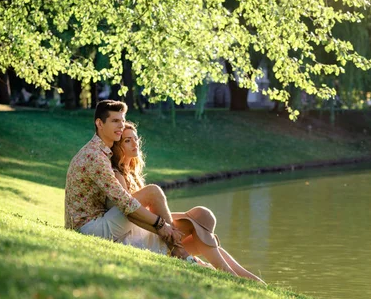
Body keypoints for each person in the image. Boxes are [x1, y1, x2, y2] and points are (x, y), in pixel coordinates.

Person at [110, 121, 266, 285]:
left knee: (202, 223)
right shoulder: (117, 175)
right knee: (200, 224)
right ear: (118, 146)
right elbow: (133, 214)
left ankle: (252, 280)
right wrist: (181, 220)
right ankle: (237, 278)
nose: (135, 143)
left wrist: (186, 216)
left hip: (152, 230)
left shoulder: (133, 174)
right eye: (127, 140)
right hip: (138, 238)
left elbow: (149, 210)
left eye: (135, 139)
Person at [65, 100, 184, 257]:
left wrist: (160, 226)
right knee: (152, 192)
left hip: (96, 223)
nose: (121, 125)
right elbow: (124, 202)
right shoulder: (95, 156)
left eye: (122, 120)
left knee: (149, 209)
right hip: (88, 228)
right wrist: (160, 224)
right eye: (115, 121)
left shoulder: (101, 152)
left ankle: (179, 250)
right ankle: (179, 251)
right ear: (99, 123)